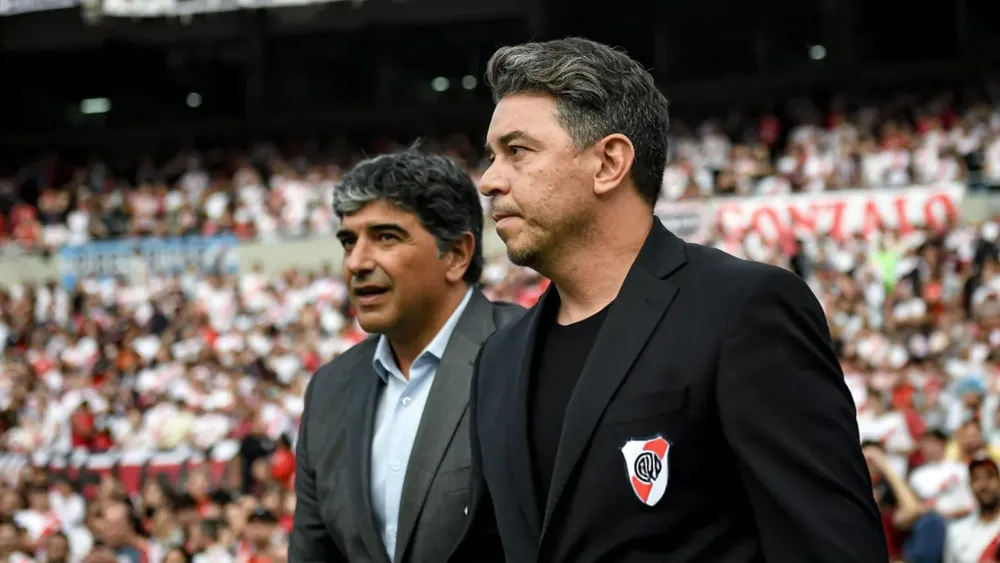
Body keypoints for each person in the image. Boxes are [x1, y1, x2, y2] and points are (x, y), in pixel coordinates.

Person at [452, 37, 887, 563]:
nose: (489, 181)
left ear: (609, 162)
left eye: (517, 151)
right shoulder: (498, 359)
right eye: (490, 157)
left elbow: (830, 546)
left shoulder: (743, 310)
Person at [290, 150, 524, 563]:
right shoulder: (328, 390)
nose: (357, 263)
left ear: (456, 254)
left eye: (385, 237)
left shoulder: (527, 354)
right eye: (349, 241)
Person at [943, 456, 1000, 562]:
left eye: (990, 477)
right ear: (970, 486)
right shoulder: (956, 531)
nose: (984, 485)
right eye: (976, 479)